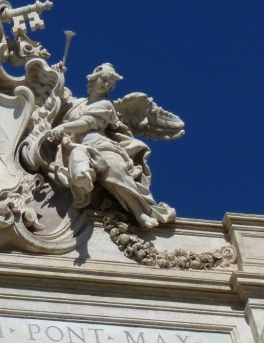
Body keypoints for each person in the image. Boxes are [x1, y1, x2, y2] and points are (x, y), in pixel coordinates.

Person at [47, 63, 175, 229]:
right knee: (77, 161)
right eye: (104, 79)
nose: (106, 84)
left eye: (110, 83)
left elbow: (88, 122)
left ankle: (140, 213)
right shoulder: (76, 103)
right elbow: (56, 100)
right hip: (76, 146)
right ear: (94, 78)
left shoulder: (106, 105)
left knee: (115, 171)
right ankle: (84, 181)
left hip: (101, 145)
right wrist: (57, 75)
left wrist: (64, 127)